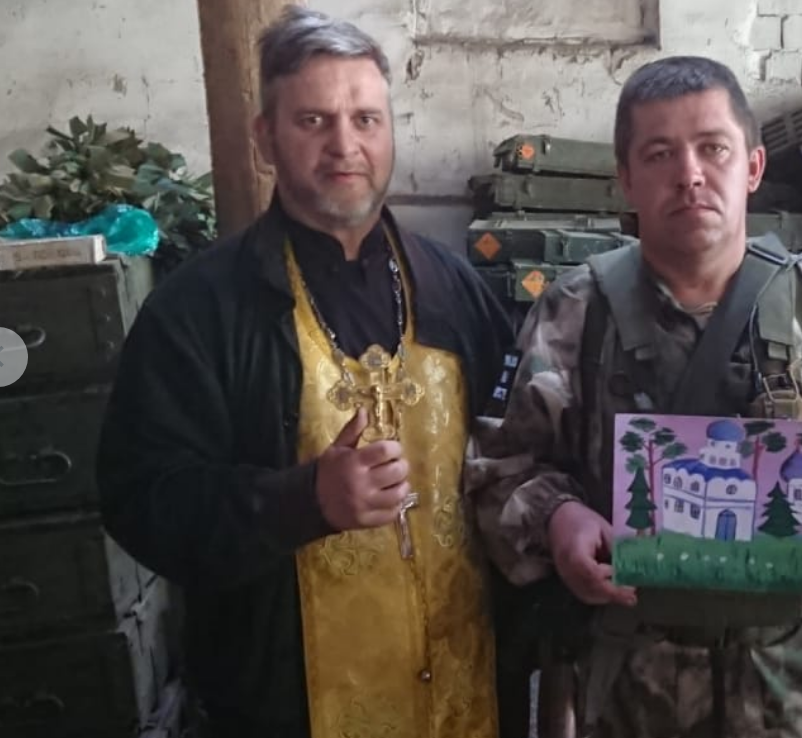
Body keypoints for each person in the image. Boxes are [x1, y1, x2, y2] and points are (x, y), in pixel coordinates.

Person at [468, 56, 802, 738]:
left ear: (752, 167)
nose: (690, 174)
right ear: (626, 178)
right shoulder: (578, 310)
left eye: (713, 148)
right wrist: (558, 519)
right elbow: (500, 466)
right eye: (660, 153)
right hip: (629, 691)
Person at [95, 7, 513, 738]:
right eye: (313, 121)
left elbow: (518, 460)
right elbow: (141, 500)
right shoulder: (198, 311)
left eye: (366, 119)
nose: (345, 146)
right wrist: (300, 501)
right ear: (266, 138)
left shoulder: (456, 292)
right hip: (282, 706)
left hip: (464, 695)